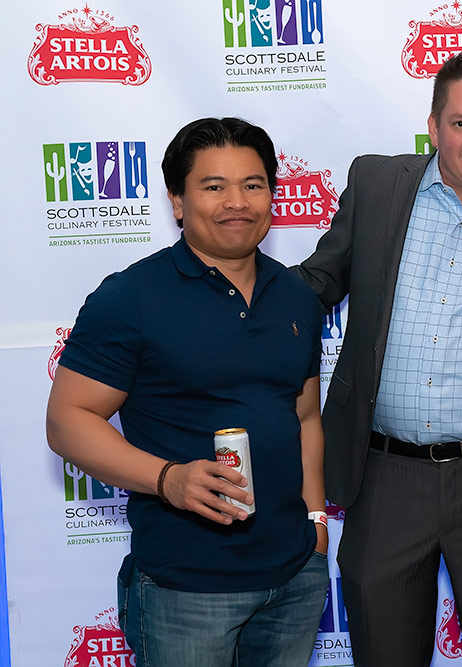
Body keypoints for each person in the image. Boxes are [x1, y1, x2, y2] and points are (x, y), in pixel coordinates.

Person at [47, 117, 330, 667]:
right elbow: (67, 421)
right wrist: (166, 479)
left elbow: (306, 418)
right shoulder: (130, 297)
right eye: (213, 186)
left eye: (253, 184)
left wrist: (316, 525)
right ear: (177, 201)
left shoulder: (295, 296)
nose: (237, 202)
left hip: (294, 578)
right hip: (187, 588)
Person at [292, 51, 462, 665]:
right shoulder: (377, 184)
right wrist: (233, 291)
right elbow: (319, 282)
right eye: (461, 123)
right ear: (433, 126)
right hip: (384, 477)